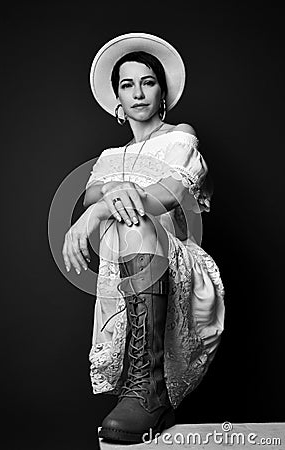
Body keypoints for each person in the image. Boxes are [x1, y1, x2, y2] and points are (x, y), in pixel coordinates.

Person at [62, 33, 225, 444]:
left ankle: (149, 391)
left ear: (162, 90)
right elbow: (93, 193)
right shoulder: (107, 158)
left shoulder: (180, 136)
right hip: (125, 265)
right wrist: (103, 201)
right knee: (126, 223)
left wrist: (99, 210)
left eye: (148, 81)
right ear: (116, 97)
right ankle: (144, 390)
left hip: (177, 260)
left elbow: (165, 196)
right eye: (127, 84)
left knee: (132, 220)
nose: (138, 92)